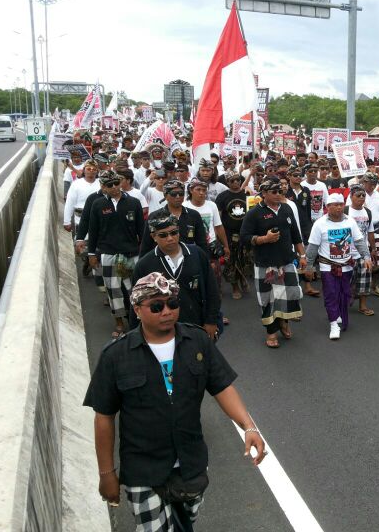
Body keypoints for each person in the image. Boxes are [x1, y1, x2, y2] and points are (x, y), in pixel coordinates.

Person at [84, 272, 266, 531]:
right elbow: (103, 417)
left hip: (190, 465)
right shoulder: (115, 356)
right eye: (156, 306)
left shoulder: (198, 341)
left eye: (172, 304)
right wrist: (107, 474)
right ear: (137, 309)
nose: (166, 311)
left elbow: (222, 387)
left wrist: (248, 426)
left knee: (185, 526)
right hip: (143, 470)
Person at [240, 178, 307, 348]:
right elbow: (245, 238)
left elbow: (295, 234)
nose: (278, 195)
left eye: (280, 192)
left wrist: (303, 255)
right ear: (264, 194)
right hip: (266, 263)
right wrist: (264, 239)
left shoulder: (286, 208)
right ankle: (271, 332)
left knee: (289, 295)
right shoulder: (254, 213)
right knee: (268, 299)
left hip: (286, 261)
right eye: (274, 192)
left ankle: (284, 322)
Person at [132, 214, 220, 339]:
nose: (170, 238)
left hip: (197, 325)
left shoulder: (197, 255)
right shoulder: (144, 265)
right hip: (161, 330)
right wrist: (136, 337)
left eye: (174, 233)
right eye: (163, 235)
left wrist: (211, 321)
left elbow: (212, 290)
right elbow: (137, 304)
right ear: (153, 237)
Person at [86, 170, 145, 337]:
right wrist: (91, 254)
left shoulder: (133, 203)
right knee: (113, 291)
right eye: (109, 185)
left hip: (131, 253)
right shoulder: (97, 205)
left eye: (116, 183)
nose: (114, 187)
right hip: (108, 253)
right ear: (103, 187)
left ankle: (138, 321)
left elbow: (142, 229)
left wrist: (144, 252)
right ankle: (119, 322)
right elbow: (93, 230)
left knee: (136, 290)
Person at [305, 194, 372, 339]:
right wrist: (309, 267)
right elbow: (312, 247)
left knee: (345, 294)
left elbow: (359, 241)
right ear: (327, 207)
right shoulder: (320, 223)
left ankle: (339, 314)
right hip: (328, 267)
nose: (338, 207)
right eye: (334, 204)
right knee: (331, 295)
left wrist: (366, 256)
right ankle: (333, 323)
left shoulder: (350, 221)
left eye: (341, 204)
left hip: (347, 265)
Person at [140, 179, 209, 257]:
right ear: (165, 196)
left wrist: (206, 262)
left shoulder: (193, 215)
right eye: (173, 194)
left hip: (188, 259)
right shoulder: (154, 216)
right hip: (162, 260)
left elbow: (202, 243)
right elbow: (146, 244)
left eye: (181, 193)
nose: (178, 196)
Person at [216, 171, 251, 300]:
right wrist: (218, 236)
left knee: (245, 259)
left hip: (245, 233)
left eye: (238, 179)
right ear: (227, 182)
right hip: (229, 234)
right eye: (232, 180)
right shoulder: (222, 197)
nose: (236, 182)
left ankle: (242, 279)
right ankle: (235, 287)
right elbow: (217, 218)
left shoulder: (247, 194)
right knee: (231, 261)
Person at [344, 185, 377, 317]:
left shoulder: (368, 212)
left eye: (363, 195)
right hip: (347, 253)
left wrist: (373, 249)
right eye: (358, 195)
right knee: (346, 280)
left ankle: (362, 306)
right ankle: (344, 303)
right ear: (351, 196)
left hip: (363, 253)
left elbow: (370, 232)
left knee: (364, 280)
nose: (362, 198)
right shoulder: (345, 211)